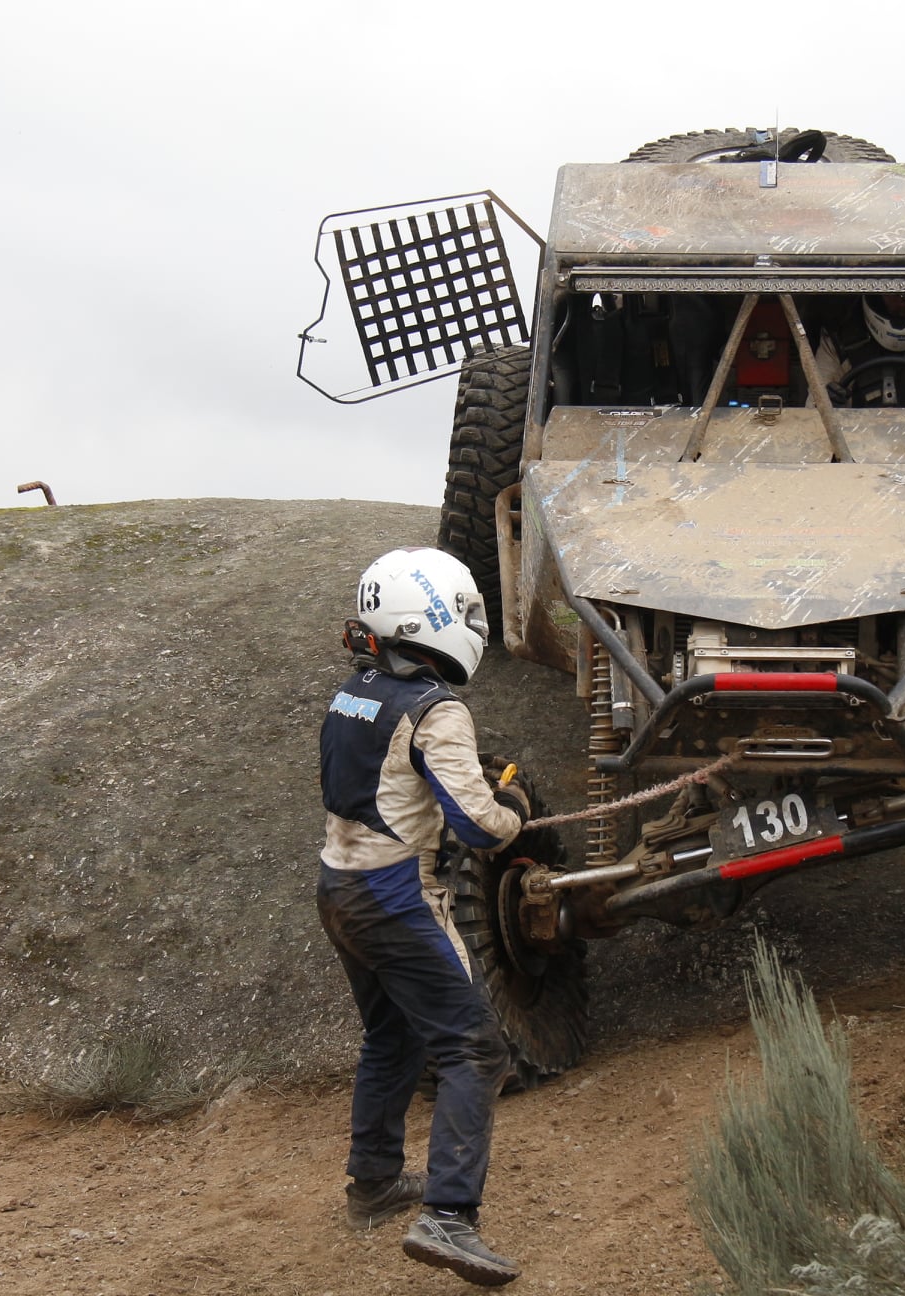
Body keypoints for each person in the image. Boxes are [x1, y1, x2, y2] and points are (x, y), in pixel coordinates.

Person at [316, 545, 531, 1287]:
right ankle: (449, 1216)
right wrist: (514, 811)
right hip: (394, 897)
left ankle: (373, 1182)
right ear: (430, 615)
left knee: (392, 1032)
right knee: (477, 1052)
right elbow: (475, 825)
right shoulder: (437, 709)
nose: (472, 622)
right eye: (465, 610)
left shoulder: (354, 691)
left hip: (337, 884)